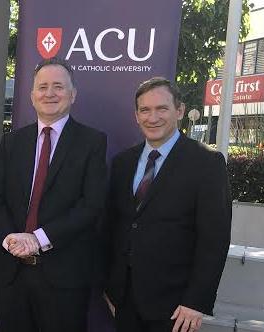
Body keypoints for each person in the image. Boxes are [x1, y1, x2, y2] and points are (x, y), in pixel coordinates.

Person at [0, 57, 108, 332]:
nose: (49, 93)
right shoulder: (12, 142)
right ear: (32, 96)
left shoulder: (91, 142)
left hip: (63, 278)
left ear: (73, 94)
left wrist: (38, 239)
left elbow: (91, 206)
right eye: (42, 87)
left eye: (58, 86)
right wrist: (10, 240)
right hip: (12, 275)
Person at [104, 77, 231, 332]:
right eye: (145, 110)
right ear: (136, 115)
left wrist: (196, 302)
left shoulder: (207, 163)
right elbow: (113, 226)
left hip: (176, 307)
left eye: (162, 108)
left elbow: (214, 239)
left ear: (179, 110)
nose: (153, 118)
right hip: (125, 300)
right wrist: (110, 288)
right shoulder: (123, 163)